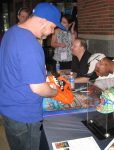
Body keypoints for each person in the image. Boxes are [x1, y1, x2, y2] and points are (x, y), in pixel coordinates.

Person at [0, 2, 65, 150]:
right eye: (52, 26)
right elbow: (38, 88)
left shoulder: (11, 32)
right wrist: (56, 91)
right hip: (24, 115)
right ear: (43, 20)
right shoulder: (30, 44)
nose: (52, 32)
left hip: (9, 109)